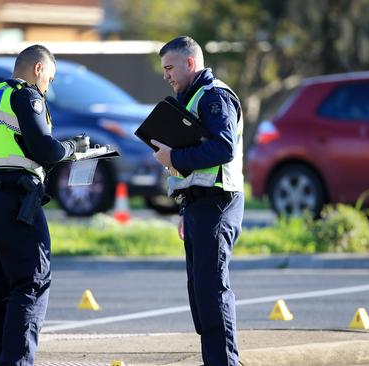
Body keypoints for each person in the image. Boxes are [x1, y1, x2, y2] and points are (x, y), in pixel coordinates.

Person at [0, 44, 89, 366]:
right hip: (14, 200)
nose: (49, 85)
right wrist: (74, 147)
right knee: (31, 282)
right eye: (50, 77)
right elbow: (44, 149)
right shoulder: (26, 96)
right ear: (38, 69)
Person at [151, 36, 244, 366]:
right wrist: (185, 207)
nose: (166, 76)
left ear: (190, 63)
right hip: (198, 205)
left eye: (170, 68)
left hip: (217, 203)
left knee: (212, 292)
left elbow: (223, 148)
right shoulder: (190, 99)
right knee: (201, 295)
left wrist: (173, 155)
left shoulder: (214, 96)